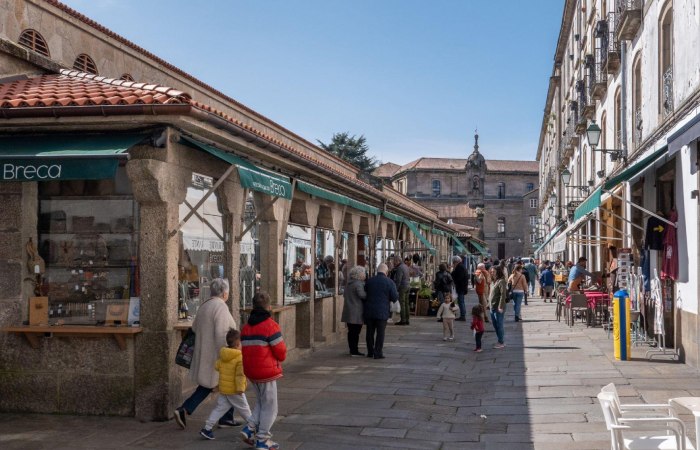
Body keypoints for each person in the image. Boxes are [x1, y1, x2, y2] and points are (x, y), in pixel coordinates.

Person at [174, 278, 238, 430]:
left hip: (204, 353)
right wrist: (227, 356)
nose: (227, 294)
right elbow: (223, 334)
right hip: (216, 355)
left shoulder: (205, 305)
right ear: (224, 293)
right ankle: (186, 409)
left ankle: (224, 417)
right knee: (227, 385)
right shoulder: (220, 307)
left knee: (212, 386)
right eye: (227, 291)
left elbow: (195, 327)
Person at [241, 292, 287, 450]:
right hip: (266, 372)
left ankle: (250, 427)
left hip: (251, 371)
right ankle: (262, 439)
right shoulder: (271, 325)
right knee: (271, 407)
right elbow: (280, 351)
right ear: (269, 306)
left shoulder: (246, 327)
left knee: (261, 402)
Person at [198, 329, 254, 442]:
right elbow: (240, 375)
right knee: (245, 409)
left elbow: (217, 366)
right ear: (238, 344)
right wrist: (240, 388)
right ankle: (254, 428)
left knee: (219, 409)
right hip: (235, 390)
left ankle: (207, 428)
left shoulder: (223, 356)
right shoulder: (240, 358)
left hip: (224, 390)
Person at [364, 263, 399, 359]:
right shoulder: (390, 282)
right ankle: (378, 352)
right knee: (380, 332)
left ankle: (370, 352)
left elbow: (365, 293)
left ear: (377, 270)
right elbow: (395, 297)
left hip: (369, 310)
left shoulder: (370, 281)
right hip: (382, 311)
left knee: (369, 332)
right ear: (386, 272)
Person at [341, 265, 367, 356]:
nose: (365, 275)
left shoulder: (349, 283)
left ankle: (352, 349)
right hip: (356, 311)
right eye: (364, 273)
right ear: (359, 274)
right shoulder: (358, 284)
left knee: (351, 331)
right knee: (355, 332)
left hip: (349, 310)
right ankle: (354, 350)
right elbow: (363, 296)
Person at [489, 265, 508, 349]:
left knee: (499, 324)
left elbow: (503, 295)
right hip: (492, 306)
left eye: (494, 271)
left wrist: (500, 306)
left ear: (498, 272)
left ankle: (501, 342)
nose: (492, 273)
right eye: (491, 271)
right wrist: (487, 304)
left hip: (498, 307)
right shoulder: (493, 282)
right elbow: (491, 294)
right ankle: (500, 340)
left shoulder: (501, 281)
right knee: (495, 325)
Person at [390, 256, 410, 325]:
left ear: (397, 261)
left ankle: (403, 320)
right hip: (407, 286)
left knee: (402, 303)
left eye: (394, 261)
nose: (393, 263)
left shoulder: (400, 268)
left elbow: (398, 280)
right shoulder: (406, 266)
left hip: (402, 287)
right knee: (406, 303)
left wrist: (396, 288)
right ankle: (407, 319)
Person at [451, 256, 469, 322]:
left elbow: (459, 278)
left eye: (453, 262)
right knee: (461, 301)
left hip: (461, 287)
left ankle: (462, 316)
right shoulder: (461, 266)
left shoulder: (460, 267)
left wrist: (454, 270)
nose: (453, 264)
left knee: (461, 301)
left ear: (456, 262)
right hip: (462, 287)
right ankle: (462, 315)